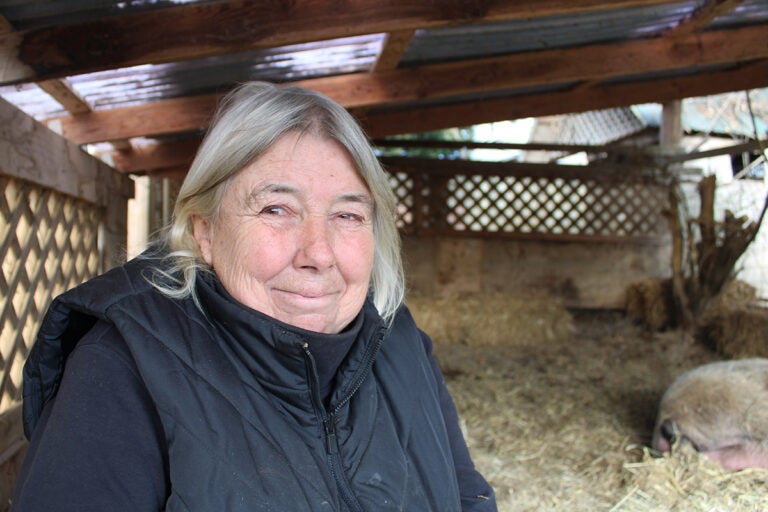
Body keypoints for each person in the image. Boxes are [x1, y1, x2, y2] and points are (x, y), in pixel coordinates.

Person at [12, 81, 497, 511]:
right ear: (204, 231)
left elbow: (466, 494)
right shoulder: (122, 366)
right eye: (277, 209)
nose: (319, 254)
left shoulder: (400, 342)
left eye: (348, 215)